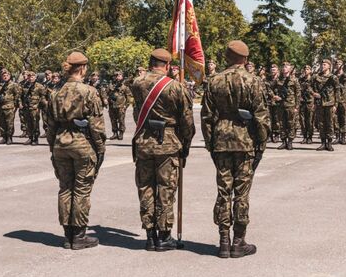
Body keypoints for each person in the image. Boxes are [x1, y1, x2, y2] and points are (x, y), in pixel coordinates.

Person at [201, 40, 269, 259]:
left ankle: (223, 241)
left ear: (227, 57)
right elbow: (261, 117)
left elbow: (207, 117)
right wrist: (261, 143)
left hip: (221, 141)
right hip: (245, 140)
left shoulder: (214, 81)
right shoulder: (253, 81)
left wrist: (210, 143)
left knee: (223, 191)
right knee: (241, 192)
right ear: (245, 59)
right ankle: (238, 241)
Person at [131, 48, 195, 251]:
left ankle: (150, 235)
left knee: (146, 188)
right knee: (166, 190)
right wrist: (185, 144)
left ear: (151, 62)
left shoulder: (137, 83)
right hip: (168, 143)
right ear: (167, 66)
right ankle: (164, 235)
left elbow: (136, 113)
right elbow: (187, 121)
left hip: (144, 141)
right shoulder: (175, 87)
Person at [46, 52, 106, 250]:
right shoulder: (88, 91)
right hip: (82, 143)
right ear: (82, 68)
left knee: (65, 188)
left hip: (60, 143)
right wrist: (100, 149)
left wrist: (53, 149)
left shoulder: (56, 92)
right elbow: (97, 126)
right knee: (81, 189)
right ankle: (79, 235)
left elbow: (50, 126)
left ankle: (67, 234)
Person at [312, 59, 339, 151]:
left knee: (330, 123)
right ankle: (323, 143)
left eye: (324, 64)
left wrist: (336, 104)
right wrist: (314, 94)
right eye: (322, 64)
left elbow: (337, 90)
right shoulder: (316, 77)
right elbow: (310, 87)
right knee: (321, 123)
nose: (322, 66)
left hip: (330, 103)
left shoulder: (333, 77)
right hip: (320, 103)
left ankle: (329, 143)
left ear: (329, 66)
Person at [274, 62, 300, 150]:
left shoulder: (294, 80)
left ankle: (290, 142)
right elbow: (270, 88)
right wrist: (274, 96)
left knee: (291, 123)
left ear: (290, 69)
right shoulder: (278, 79)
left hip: (291, 105)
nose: (284, 68)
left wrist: (297, 106)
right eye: (283, 66)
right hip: (280, 105)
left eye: (286, 66)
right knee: (281, 124)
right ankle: (283, 141)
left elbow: (298, 93)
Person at [20, 71, 47, 145]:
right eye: (29, 77)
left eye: (32, 77)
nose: (30, 78)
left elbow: (43, 97)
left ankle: (35, 138)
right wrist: (21, 104)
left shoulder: (39, 86)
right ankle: (30, 137)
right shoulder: (24, 85)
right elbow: (21, 96)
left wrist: (40, 107)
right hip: (26, 107)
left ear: (35, 77)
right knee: (28, 123)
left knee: (35, 123)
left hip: (35, 108)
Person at [0, 69, 21, 145]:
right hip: (0, 107)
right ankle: (4, 137)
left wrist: (16, 106)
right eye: (4, 76)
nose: (5, 77)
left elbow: (17, 95)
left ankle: (9, 138)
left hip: (9, 106)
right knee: (1, 123)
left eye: (7, 76)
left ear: (10, 76)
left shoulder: (14, 85)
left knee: (9, 123)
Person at [106, 71, 132, 140]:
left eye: (119, 75)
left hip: (121, 107)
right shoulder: (110, 85)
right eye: (116, 75)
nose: (117, 77)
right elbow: (106, 93)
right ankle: (115, 133)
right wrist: (106, 100)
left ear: (122, 76)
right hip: (112, 106)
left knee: (121, 120)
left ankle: (121, 133)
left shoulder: (124, 86)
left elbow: (129, 98)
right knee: (113, 120)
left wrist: (125, 107)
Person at [334, 59, 346, 144]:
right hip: (334, 100)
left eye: (340, 64)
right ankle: (337, 136)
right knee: (335, 119)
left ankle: (343, 137)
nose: (338, 65)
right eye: (337, 64)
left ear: (342, 65)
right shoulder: (333, 76)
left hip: (344, 100)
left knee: (343, 118)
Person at [299, 65, 315, 144]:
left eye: (308, 69)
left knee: (310, 121)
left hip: (310, 102)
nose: (306, 70)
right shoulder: (300, 80)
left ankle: (310, 137)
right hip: (302, 102)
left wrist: (315, 102)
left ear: (310, 71)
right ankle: (305, 137)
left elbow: (315, 90)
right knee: (302, 121)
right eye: (305, 69)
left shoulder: (313, 80)